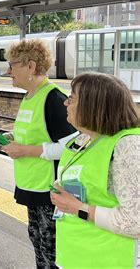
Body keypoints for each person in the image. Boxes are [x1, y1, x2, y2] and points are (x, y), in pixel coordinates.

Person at [50, 73, 139, 268]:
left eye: (72, 98)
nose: (66, 103)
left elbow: (135, 221)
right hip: (77, 254)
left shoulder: (128, 146)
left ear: (93, 105)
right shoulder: (84, 139)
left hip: (108, 259)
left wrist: (78, 208)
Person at [1, 39, 76, 269]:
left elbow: (72, 145)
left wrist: (26, 150)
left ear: (30, 67)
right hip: (31, 184)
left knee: (50, 248)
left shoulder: (53, 99)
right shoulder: (29, 95)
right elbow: (36, 130)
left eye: (12, 65)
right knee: (37, 239)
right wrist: (14, 136)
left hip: (48, 190)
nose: (8, 71)